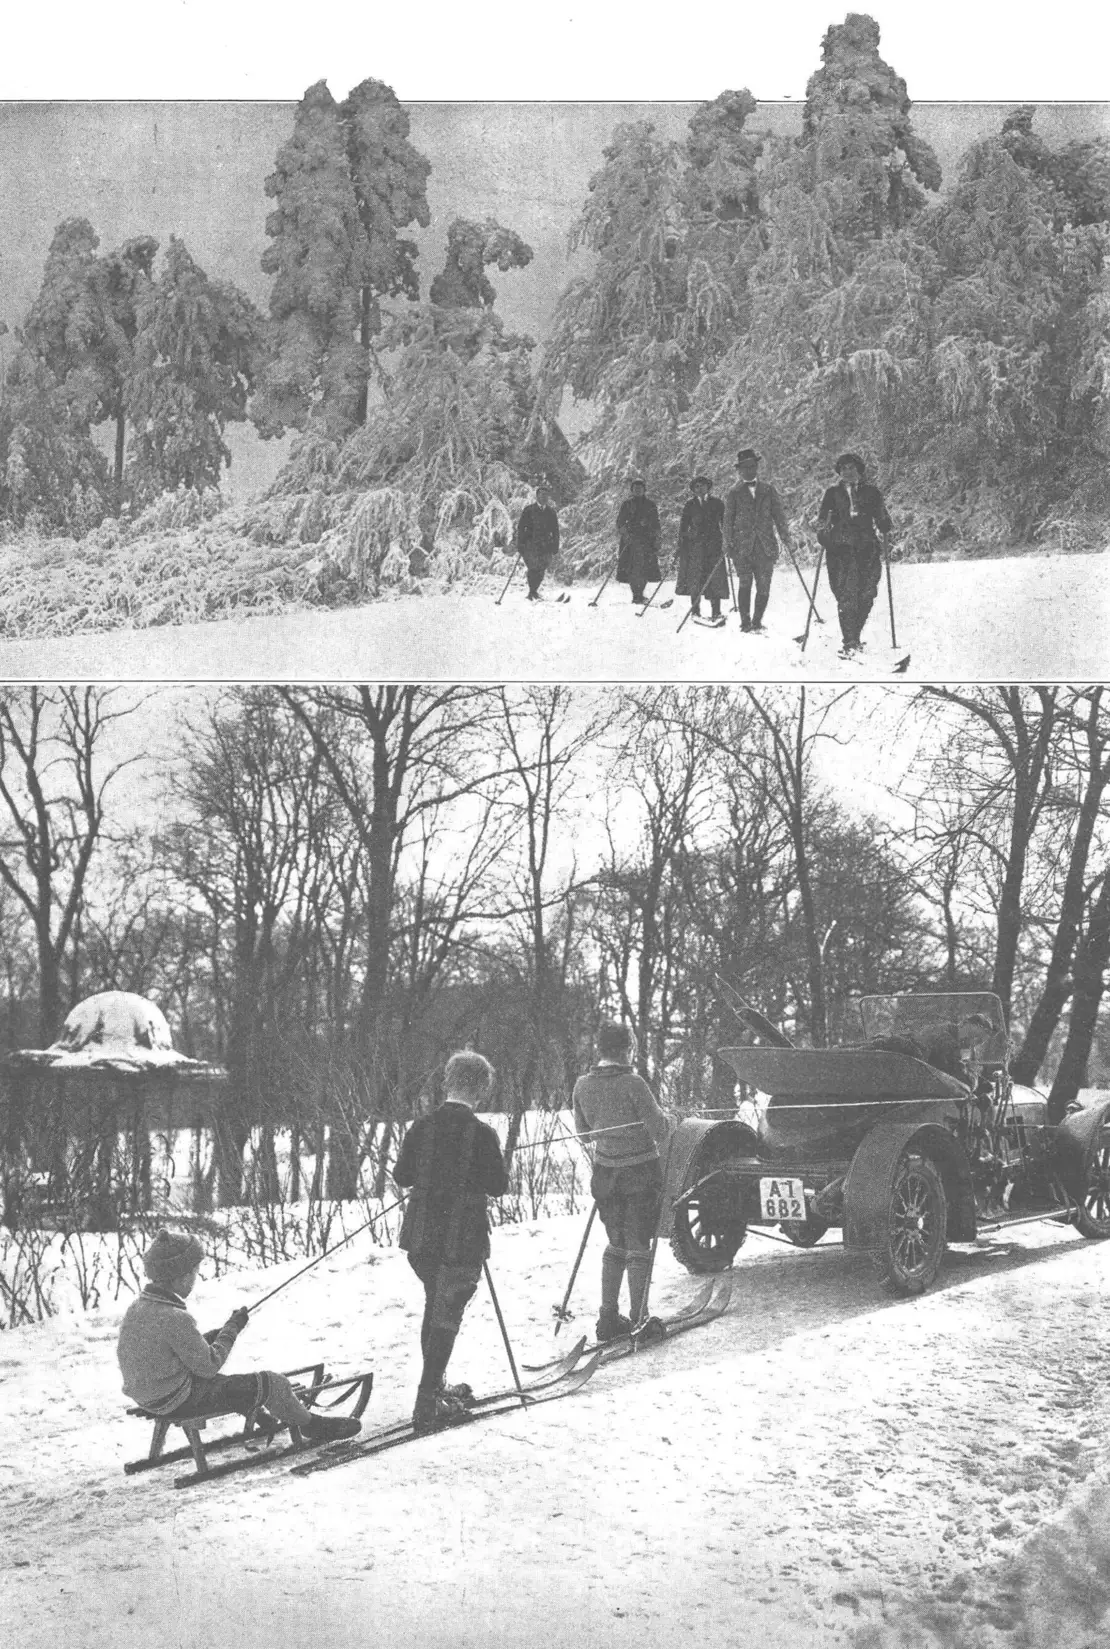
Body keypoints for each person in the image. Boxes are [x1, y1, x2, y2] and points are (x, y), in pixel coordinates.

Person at [116, 1230, 360, 1443]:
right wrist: (231, 1330)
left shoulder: (140, 1308)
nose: (195, 1279)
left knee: (230, 1383)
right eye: (193, 1273)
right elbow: (209, 1366)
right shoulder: (175, 1317)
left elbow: (176, 1347)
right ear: (179, 1277)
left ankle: (263, 1417)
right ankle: (312, 1426)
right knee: (270, 1382)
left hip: (150, 1396)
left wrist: (218, 1333)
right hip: (177, 1400)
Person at [393, 1050, 509, 1434]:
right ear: (481, 1089)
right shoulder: (482, 1134)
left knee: (435, 1306)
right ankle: (427, 1404)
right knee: (447, 1316)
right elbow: (498, 1186)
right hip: (461, 1239)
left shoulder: (422, 1127)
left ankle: (435, 1387)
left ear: (449, 1082)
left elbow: (402, 1175)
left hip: (422, 1238)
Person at [572, 1022, 673, 1342]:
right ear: (627, 1047)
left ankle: (607, 1318)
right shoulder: (634, 1083)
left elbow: (584, 1134)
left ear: (599, 1049)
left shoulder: (581, 1086)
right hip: (640, 1173)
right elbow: (661, 1131)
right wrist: (671, 1117)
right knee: (639, 1242)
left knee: (616, 1242)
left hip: (605, 1174)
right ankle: (640, 1319)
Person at [815, 453, 894, 656]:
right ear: (839, 472)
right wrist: (822, 533)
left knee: (867, 594)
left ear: (859, 470)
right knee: (847, 595)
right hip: (840, 550)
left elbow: (882, 516)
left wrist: (885, 523)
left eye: (851, 468)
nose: (847, 472)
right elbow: (823, 520)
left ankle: (854, 637)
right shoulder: (832, 493)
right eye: (843, 469)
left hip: (866, 548)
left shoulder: (872, 492)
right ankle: (849, 641)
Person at [723, 448, 794, 633]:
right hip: (741, 547)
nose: (749, 470)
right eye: (745, 467)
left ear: (757, 467)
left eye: (752, 466)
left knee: (764, 585)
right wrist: (727, 543)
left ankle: (757, 621)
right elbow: (728, 521)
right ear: (739, 470)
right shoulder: (734, 492)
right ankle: (745, 623)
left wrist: (786, 537)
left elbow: (779, 516)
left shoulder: (768, 490)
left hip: (765, 547)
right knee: (745, 583)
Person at [676, 474, 728, 624]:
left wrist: (727, 540)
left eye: (703, 486)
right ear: (693, 490)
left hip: (714, 546)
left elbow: (724, 523)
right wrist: (683, 541)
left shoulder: (717, 503)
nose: (700, 489)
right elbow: (683, 527)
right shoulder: (689, 505)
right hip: (695, 547)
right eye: (697, 487)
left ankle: (716, 612)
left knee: (715, 578)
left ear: (708, 487)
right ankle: (695, 611)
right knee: (696, 578)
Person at [615, 477, 662, 605]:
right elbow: (620, 523)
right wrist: (626, 535)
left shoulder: (650, 505)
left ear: (644, 490)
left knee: (645, 568)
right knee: (632, 569)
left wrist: (657, 537)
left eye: (640, 488)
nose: (638, 491)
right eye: (635, 489)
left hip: (647, 541)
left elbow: (656, 523)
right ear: (632, 490)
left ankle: (640, 594)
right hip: (630, 541)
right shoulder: (627, 504)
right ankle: (636, 595)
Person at [515, 480, 560, 601]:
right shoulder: (529, 510)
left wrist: (555, 546)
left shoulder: (551, 512)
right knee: (533, 568)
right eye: (541, 495)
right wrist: (520, 544)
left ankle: (534, 591)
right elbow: (521, 527)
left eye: (546, 495)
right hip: (530, 545)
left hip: (546, 546)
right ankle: (532, 592)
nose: (544, 497)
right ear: (537, 496)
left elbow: (556, 531)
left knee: (541, 569)